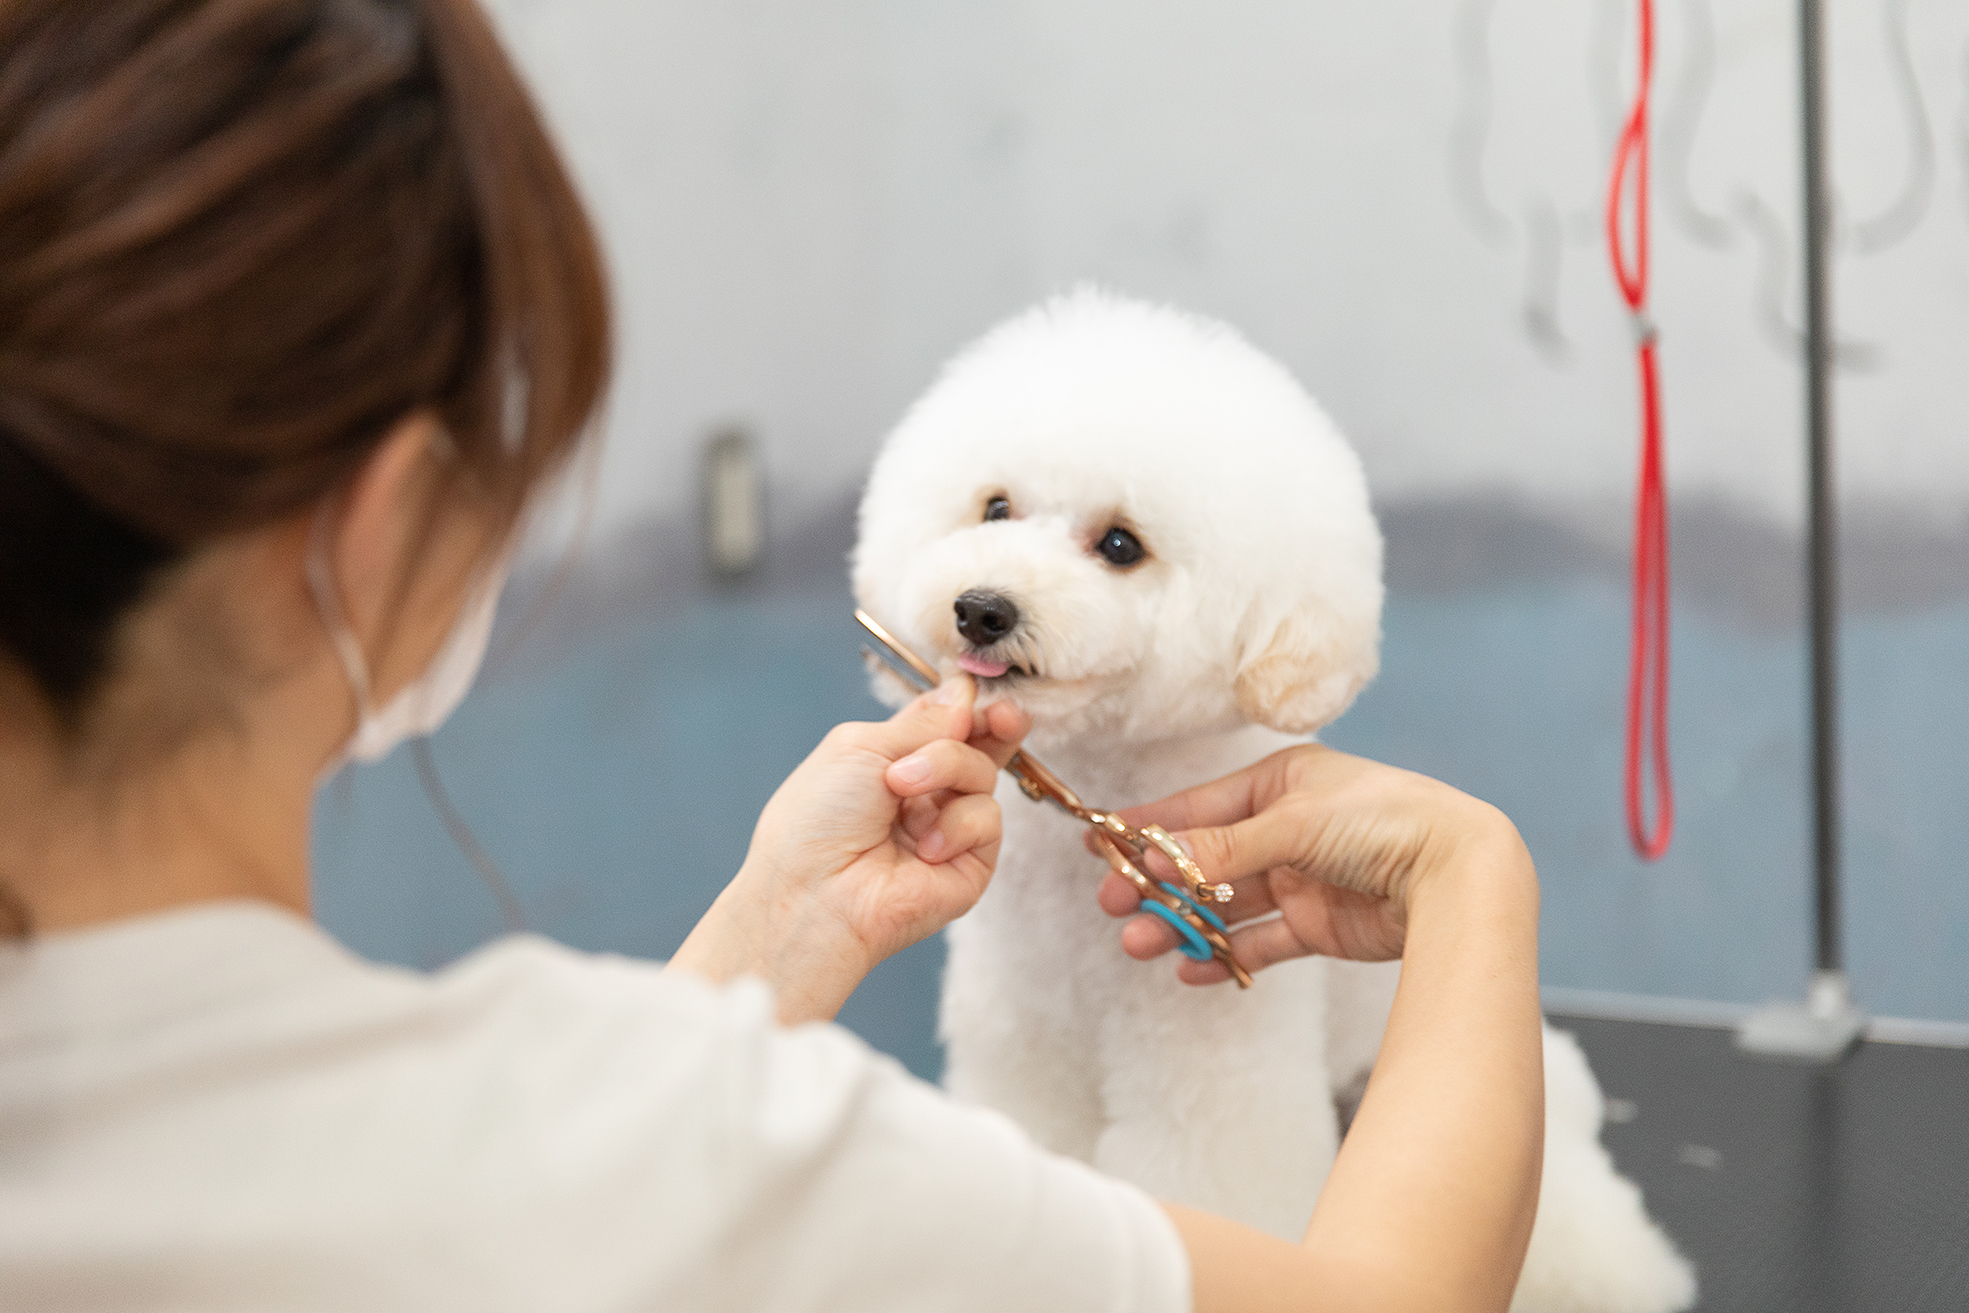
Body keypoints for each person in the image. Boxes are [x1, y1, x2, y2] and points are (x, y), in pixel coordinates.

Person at [0, 3, 1544, 1310]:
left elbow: (568, 1167)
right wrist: (1470, 880)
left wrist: (774, 936)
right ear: (377, 526)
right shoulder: (751, 1164)